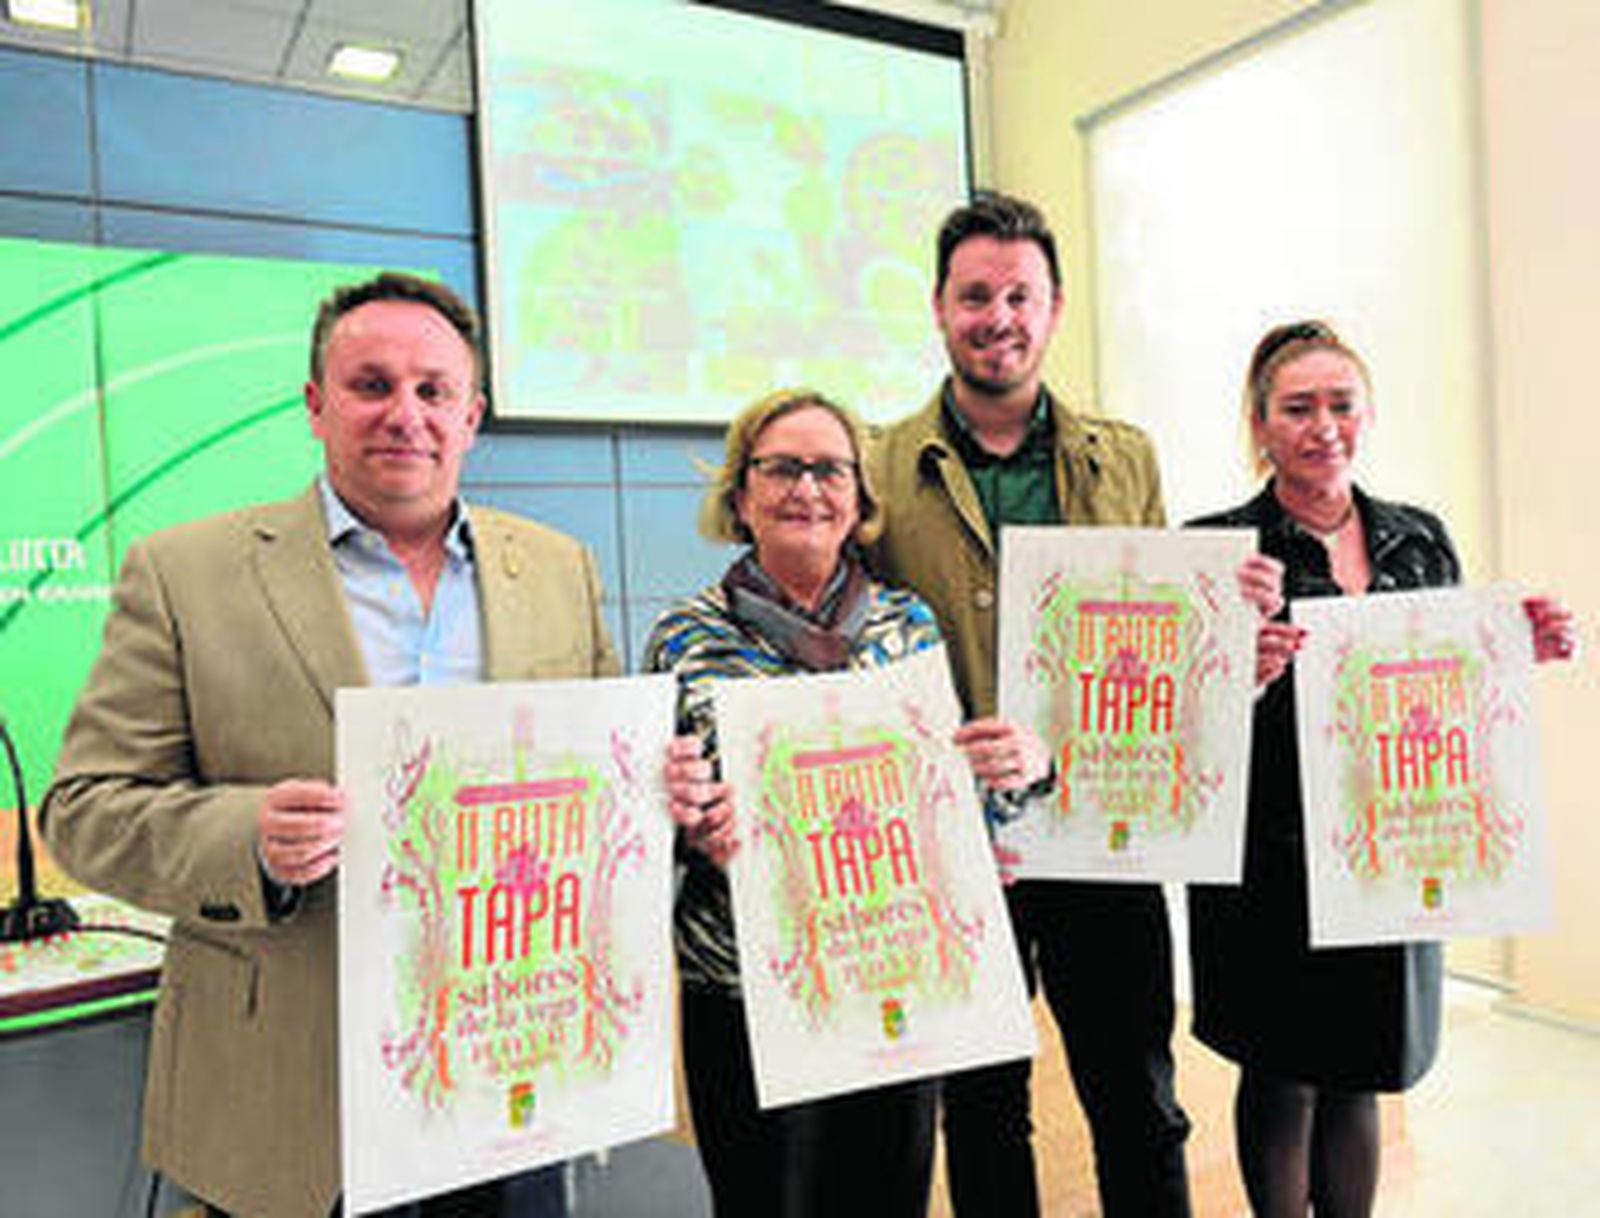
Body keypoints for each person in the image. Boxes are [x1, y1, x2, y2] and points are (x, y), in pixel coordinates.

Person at [40, 273, 617, 1218]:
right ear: (316, 405)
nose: (405, 414)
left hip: (515, 1072)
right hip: (296, 1097)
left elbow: (595, 789)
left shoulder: (558, 568)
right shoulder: (186, 572)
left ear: (471, 416)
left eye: (433, 391)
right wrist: (248, 839)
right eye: (371, 384)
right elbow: (86, 810)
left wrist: (664, 792)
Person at [868, 190, 1271, 1218]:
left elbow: (1159, 631)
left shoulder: (1123, 455)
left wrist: (1233, 634)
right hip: (952, 841)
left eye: (1019, 294)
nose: (996, 316)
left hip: (1103, 828)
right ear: (937, 307)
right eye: (974, 296)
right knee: (985, 1106)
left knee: (1138, 1100)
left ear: (1051, 310)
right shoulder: (875, 464)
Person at [1185, 319, 1576, 1217]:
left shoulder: (1420, 538)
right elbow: (1175, 722)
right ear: (1258, 425)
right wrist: (1235, 667)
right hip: (1269, 859)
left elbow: (1452, 680)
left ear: (1367, 414)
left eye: (1341, 404)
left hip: (1385, 851)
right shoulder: (1217, 551)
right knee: (1282, 1076)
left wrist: (1520, 650)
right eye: (1297, 408)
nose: (1323, 426)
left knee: (1359, 1070)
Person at [646, 388, 1040, 1218]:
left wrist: (1016, 771)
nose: (806, 488)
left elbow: (949, 804)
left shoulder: (909, 625)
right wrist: (687, 829)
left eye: (829, 469)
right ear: (740, 493)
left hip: (890, 977)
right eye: (781, 468)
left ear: (861, 499)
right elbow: (653, 822)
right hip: (743, 991)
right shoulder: (683, 636)